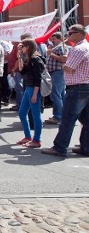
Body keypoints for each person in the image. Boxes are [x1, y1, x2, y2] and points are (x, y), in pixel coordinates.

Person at [42, 24, 89, 157]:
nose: (68, 36)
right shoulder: (86, 47)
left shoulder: (78, 49)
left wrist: (63, 62)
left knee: (67, 119)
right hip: (85, 86)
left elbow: (69, 69)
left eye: (70, 33)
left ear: (79, 34)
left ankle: (60, 147)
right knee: (86, 120)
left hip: (77, 88)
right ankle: (86, 147)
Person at [15, 38, 46, 148]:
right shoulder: (29, 58)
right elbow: (22, 72)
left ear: (28, 47)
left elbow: (38, 78)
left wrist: (34, 94)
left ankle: (36, 140)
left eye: (22, 46)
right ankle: (28, 136)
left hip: (33, 89)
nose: (20, 48)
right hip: (29, 88)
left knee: (36, 115)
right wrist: (19, 58)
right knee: (22, 113)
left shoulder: (35, 59)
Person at [45, 32, 67, 125]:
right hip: (54, 73)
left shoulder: (61, 47)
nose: (52, 41)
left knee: (56, 95)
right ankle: (62, 116)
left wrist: (51, 54)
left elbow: (63, 59)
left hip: (58, 73)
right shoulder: (54, 47)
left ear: (59, 39)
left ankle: (58, 117)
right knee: (60, 95)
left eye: (54, 39)